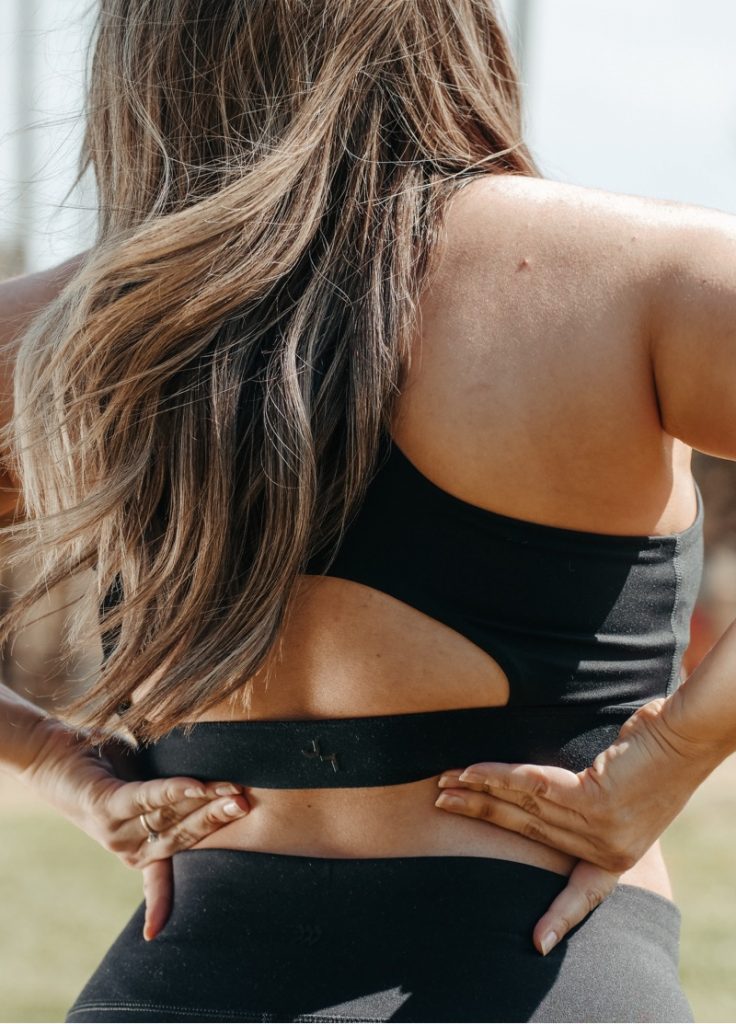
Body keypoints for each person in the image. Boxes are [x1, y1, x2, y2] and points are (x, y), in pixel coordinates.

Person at [0, 1, 734, 1021]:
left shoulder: (60, 335)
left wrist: (52, 757)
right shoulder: (646, 280)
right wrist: (673, 754)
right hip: (543, 964)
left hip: (190, 977)